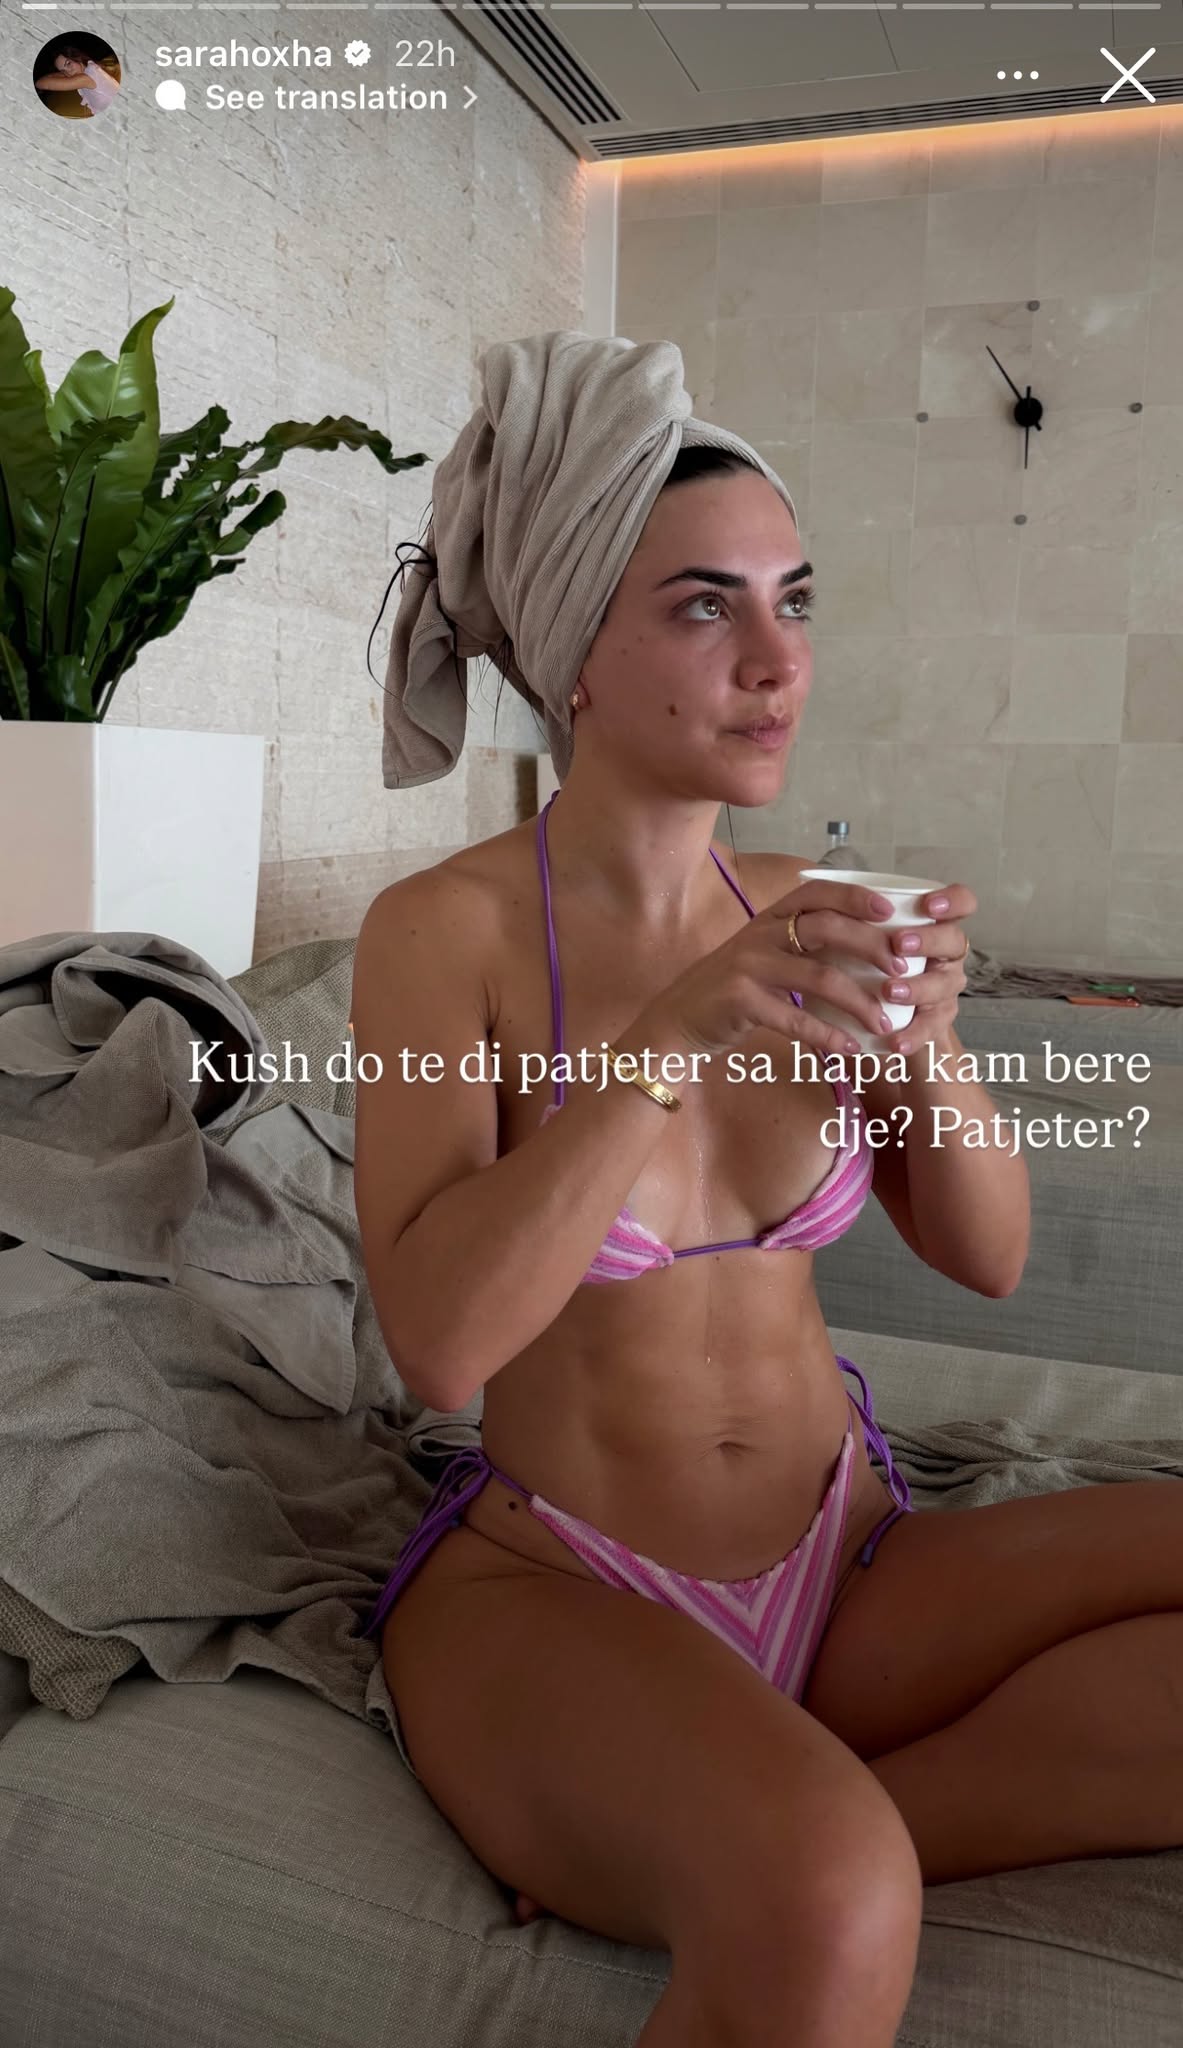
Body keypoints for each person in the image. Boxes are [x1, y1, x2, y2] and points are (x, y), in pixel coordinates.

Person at [355, 337, 1046, 2048]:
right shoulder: (441, 934)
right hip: (559, 1584)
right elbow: (437, 1345)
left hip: (848, 1551)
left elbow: (989, 1259)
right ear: (573, 655)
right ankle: (780, 1843)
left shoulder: (814, 907)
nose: (774, 661)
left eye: (792, 603)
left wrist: (928, 1041)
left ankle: (739, 1821)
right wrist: (666, 1032)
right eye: (699, 609)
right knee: (826, 1904)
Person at [35, 49, 120, 115]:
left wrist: (62, 73)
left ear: (77, 57)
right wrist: (64, 71)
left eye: (68, 63)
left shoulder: (85, 78)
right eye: (63, 71)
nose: (68, 72)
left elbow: (40, 83)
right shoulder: (89, 67)